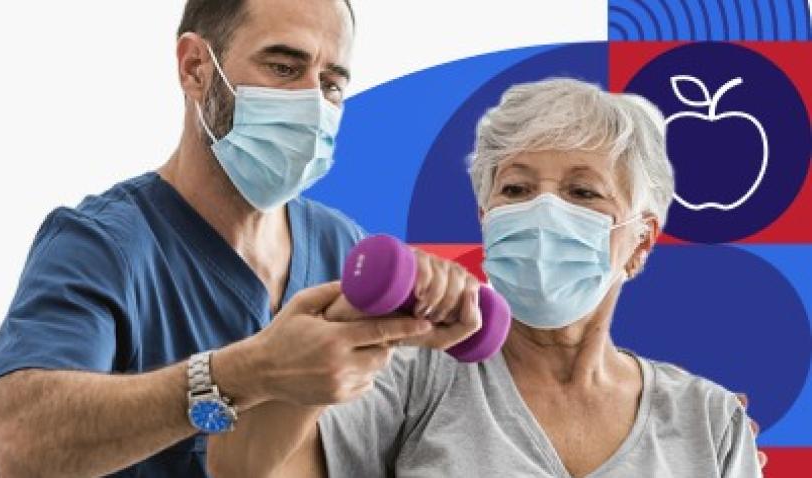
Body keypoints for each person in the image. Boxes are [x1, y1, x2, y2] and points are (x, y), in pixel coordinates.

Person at [0, 1, 483, 476]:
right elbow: (19, 447)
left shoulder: (341, 246)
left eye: (331, 84)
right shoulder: (102, 245)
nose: (311, 103)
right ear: (196, 67)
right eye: (284, 68)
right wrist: (245, 373)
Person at [206, 79, 765, 478]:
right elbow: (243, 470)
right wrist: (337, 334)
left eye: (582, 192)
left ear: (640, 241)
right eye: (517, 190)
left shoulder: (709, 419)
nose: (544, 212)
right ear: (486, 221)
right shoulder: (415, 375)